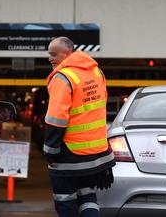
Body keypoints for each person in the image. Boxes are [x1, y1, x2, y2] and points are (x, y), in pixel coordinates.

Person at [44, 36, 115, 217]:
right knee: (87, 197)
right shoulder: (96, 72)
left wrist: (50, 149)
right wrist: (106, 160)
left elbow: (56, 119)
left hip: (69, 155)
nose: (50, 58)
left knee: (65, 200)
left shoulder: (63, 77)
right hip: (95, 155)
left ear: (67, 53)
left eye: (53, 54)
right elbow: (97, 112)